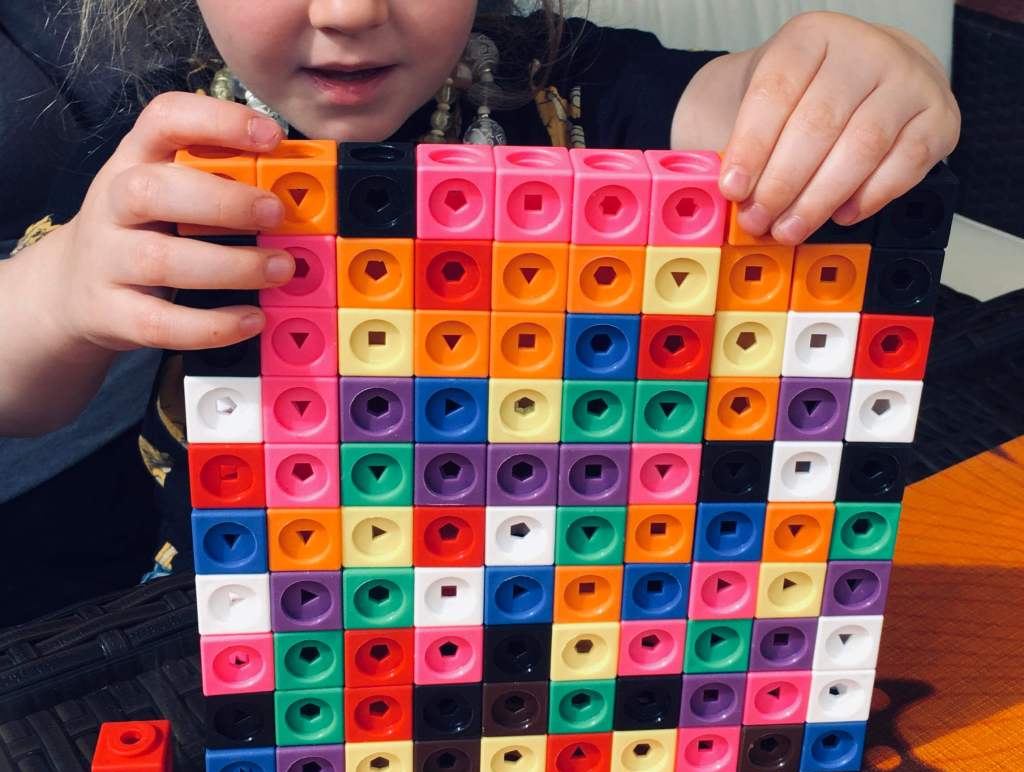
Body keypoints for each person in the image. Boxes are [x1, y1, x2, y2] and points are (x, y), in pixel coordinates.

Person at [0, 0, 960, 619]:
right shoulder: (159, 138)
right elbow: (22, 396)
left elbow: (727, 107)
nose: (348, 12)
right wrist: (62, 294)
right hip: (252, 610)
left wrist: (831, 79)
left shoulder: (556, 82)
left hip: (556, 594)